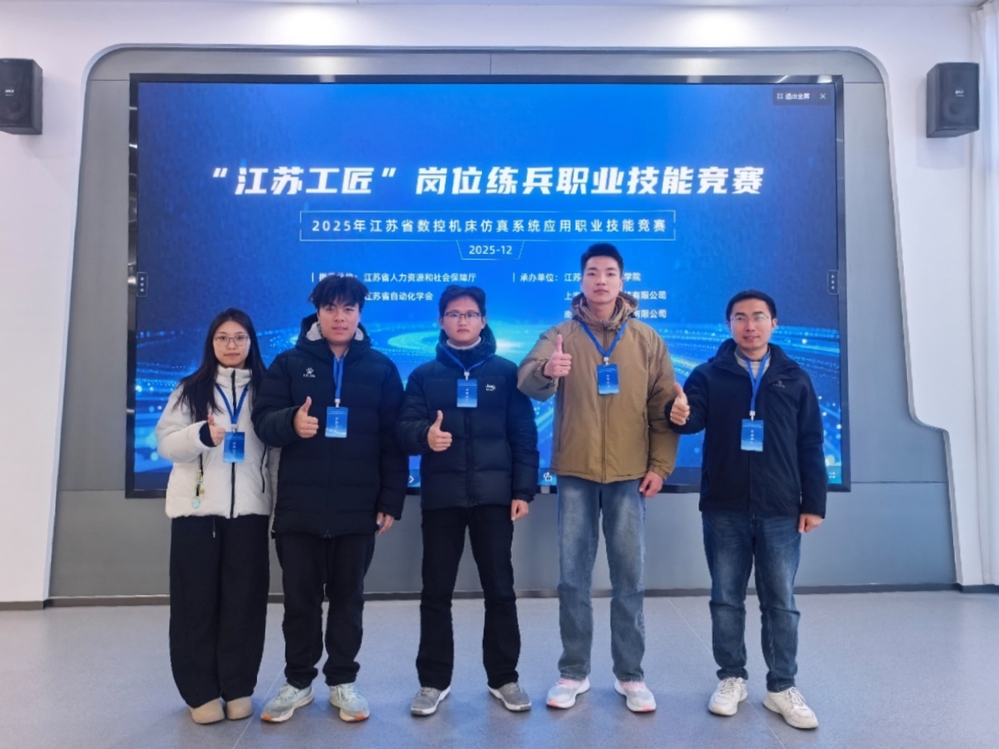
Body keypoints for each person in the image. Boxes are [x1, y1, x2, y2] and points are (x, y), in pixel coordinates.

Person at [517, 243, 678, 713]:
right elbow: (526, 380)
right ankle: (573, 672)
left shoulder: (647, 339)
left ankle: (631, 675)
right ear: (582, 280)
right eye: (592, 272)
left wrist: (660, 466)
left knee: (629, 578)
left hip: (630, 474)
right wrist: (548, 370)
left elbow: (664, 408)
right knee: (573, 578)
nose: (601, 280)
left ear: (622, 281)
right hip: (576, 472)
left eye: (609, 272)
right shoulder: (561, 334)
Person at [251, 274, 408, 724]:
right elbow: (263, 420)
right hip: (299, 509)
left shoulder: (380, 368)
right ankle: (298, 681)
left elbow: (393, 440)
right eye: (331, 308)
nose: (340, 317)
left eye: (348, 309)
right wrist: (290, 423)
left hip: (357, 509)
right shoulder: (289, 363)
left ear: (360, 314)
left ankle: (343, 681)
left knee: (348, 600)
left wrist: (391, 499)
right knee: (299, 602)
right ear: (317, 313)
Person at [667, 290, 827, 730]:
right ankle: (731, 678)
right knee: (726, 598)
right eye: (740, 317)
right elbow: (691, 419)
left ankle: (781, 686)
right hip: (724, 505)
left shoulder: (795, 378)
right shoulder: (708, 374)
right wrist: (676, 411)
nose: (749, 325)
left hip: (781, 508)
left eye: (758, 317)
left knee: (781, 602)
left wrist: (813, 503)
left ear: (774, 323)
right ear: (729, 325)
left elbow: (810, 443)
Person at [397, 285, 539, 717]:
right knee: (436, 592)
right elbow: (404, 427)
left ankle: (504, 678)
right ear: (441, 321)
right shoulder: (423, 376)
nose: (463, 321)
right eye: (454, 314)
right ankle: (433, 681)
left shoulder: (507, 373)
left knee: (500, 590)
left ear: (483, 320)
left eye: (471, 314)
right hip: (442, 499)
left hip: (494, 499)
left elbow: (523, 436)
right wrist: (425, 436)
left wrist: (523, 490)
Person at [155, 308, 275, 725]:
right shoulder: (190, 389)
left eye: (239, 337)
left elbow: (277, 453)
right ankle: (200, 692)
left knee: (245, 603)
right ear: (211, 343)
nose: (231, 345)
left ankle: (238, 686)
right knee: (195, 604)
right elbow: (166, 444)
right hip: (197, 513)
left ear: (251, 342)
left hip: (250, 513)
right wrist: (200, 435)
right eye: (222, 337)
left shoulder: (268, 389)